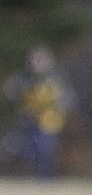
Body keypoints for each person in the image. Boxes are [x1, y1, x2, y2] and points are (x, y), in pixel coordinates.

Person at [6, 47, 70, 179]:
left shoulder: (56, 78)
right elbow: (10, 95)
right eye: (35, 60)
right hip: (27, 120)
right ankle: (33, 176)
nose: (38, 63)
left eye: (41, 60)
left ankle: (46, 179)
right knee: (20, 148)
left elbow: (67, 99)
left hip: (48, 121)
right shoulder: (23, 78)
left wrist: (60, 105)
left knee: (44, 149)